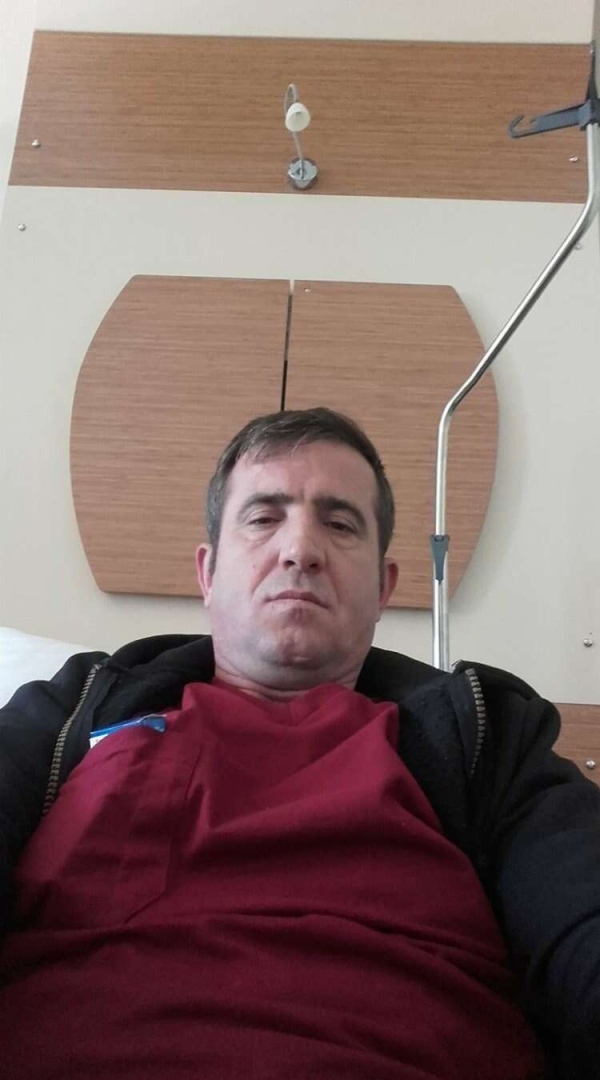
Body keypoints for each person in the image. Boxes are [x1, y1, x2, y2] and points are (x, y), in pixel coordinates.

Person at [0, 406, 598, 1080]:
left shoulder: (485, 739)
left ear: (383, 588)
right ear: (208, 573)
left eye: (339, 524)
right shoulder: (72, 710)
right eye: (263, 518)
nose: (300, 550)